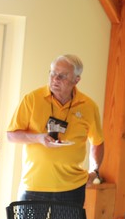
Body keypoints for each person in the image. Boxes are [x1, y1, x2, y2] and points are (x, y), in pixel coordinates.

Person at [6, 54, 104, 206]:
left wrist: (95, 171)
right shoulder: (32, 99)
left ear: (76, 80)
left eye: (62, 76)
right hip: (34, 185)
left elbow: (97, 142)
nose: (55, 79)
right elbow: (11, 135)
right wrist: (38, 138)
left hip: (72, 188)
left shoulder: (89, 106)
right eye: (52, 73)